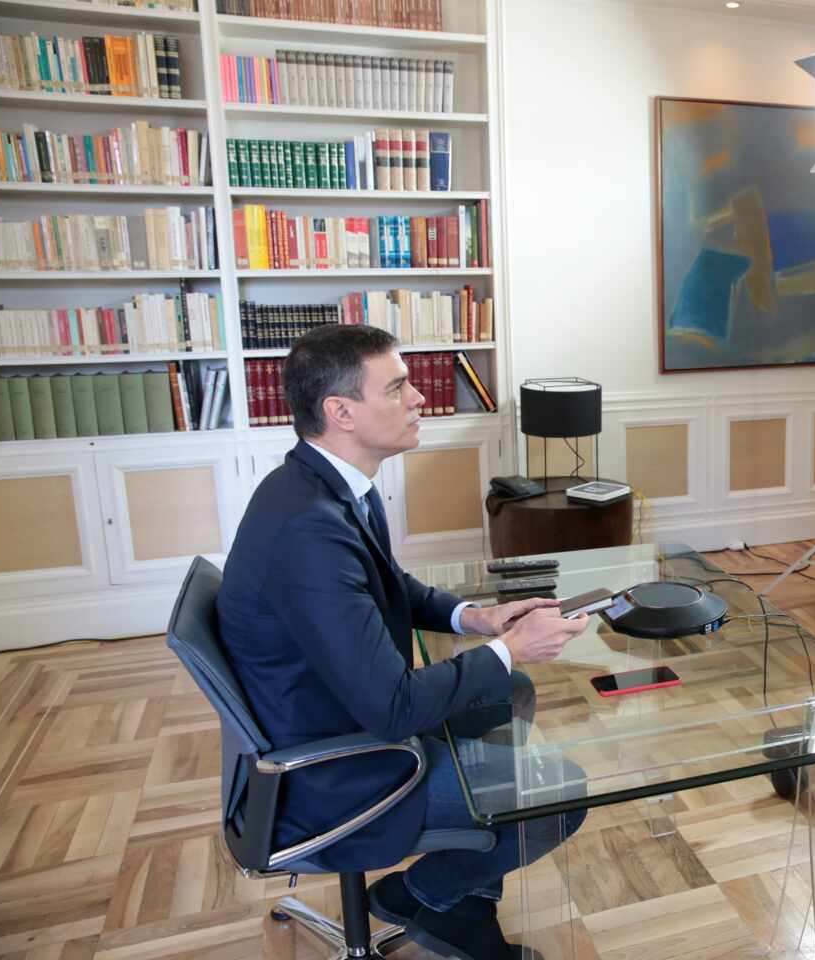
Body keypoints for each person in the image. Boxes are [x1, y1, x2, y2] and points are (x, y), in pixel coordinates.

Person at [217, 324, 590, 960]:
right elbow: (392, 709)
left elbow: (389, 586)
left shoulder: (324, 487)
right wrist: (513, 647)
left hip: (332, 716)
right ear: (341, 412)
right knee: (559, 794)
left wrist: (480, 619)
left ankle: (457, 907)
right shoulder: (307, 529)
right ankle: (422, 894)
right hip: (337, 770)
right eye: (398, 387)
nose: (420, 397)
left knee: (508, 694)